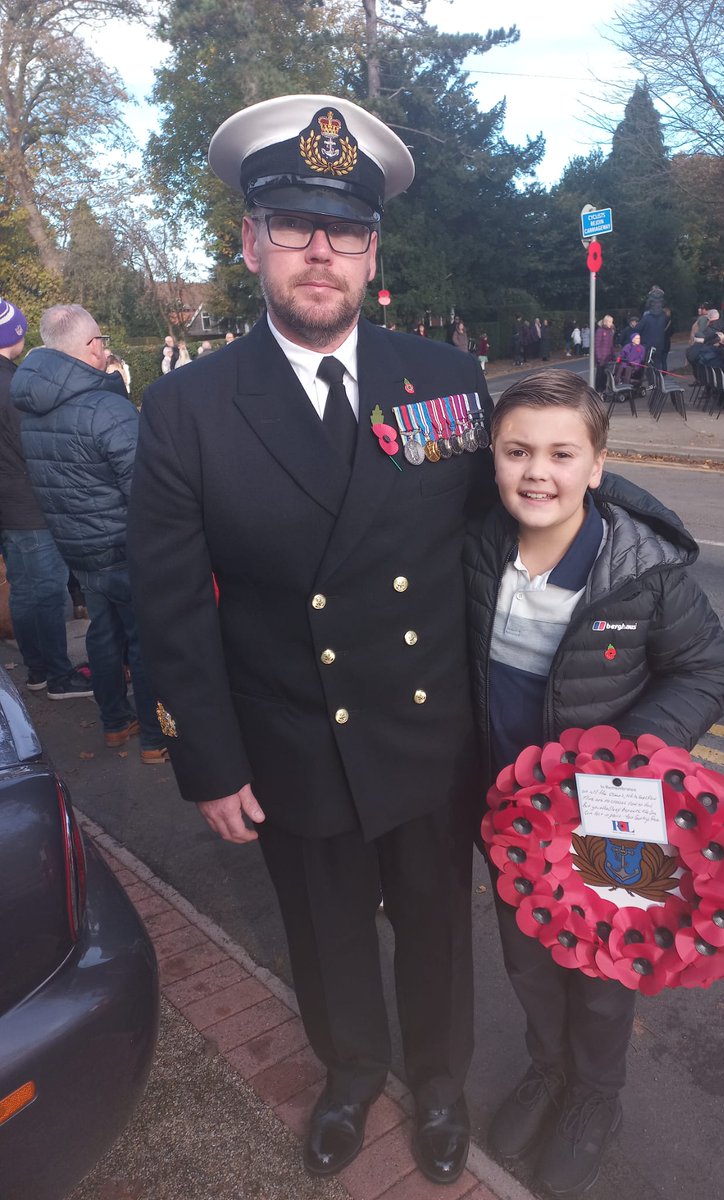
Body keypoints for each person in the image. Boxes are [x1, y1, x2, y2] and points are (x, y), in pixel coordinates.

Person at [126, 93, 495, 1186]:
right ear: (250, 244)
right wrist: (210, 757)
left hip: (431, 733)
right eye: (293, 225)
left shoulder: (446, 382)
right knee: (328, 934)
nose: (319, 251)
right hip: (296, 740)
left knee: (436, 930)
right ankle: (351, 1072)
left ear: (374, 250)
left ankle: (437, 1083)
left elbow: (493, 557)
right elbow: (171, 601)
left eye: (343, 229)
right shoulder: (188, 407)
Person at [463, 369, 724, 1196]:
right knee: (528, 956)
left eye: (559, 453)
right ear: (493, 459)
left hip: (617, 817)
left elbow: (707, 668)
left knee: (606, 966)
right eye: (516, 452)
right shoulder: (476, 549)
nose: (536, 472)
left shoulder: (643, 573)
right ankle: (549, 1070)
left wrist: (632, 751)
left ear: (597, 464)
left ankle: (595, 1096)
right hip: (509, 817)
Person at [10, 305, 169, 761]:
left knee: (103, 633)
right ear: (88, 347)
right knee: (143, 641)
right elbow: (146, 487)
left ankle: (115, 723)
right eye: (101, 339)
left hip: (78, 547)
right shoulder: (105, 406)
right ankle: (156, 739)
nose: (105, 348)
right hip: (123, 544)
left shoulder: (33, 407)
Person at [0, 297, 91, 700]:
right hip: (29, 502)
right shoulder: (13, 386)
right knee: (49, 589)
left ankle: (36, 668)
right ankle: (56, 675)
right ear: (14, 335)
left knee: (23, 587)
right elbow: (33, 444)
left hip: (8, 503)